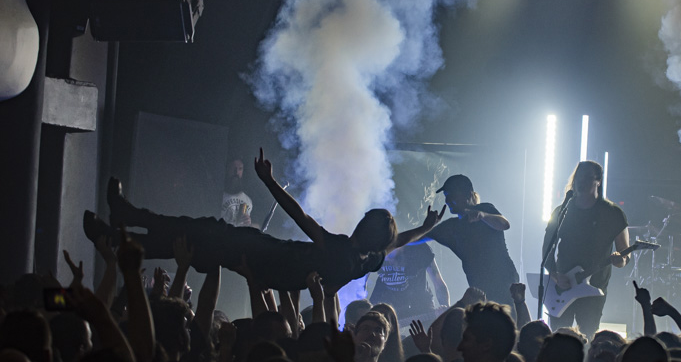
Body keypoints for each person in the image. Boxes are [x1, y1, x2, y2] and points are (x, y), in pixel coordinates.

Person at [83, 148, 445, 293]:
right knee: (194, 242)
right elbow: (396, 242)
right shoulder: (366, 260)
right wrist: (425, 228)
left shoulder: (341, 250)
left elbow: (301, 217)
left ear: (364, 228)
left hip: (261, 254)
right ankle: (120, 235)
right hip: (267, 267)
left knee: (197, 233)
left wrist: (269, 182)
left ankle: (126, 222)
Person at [542, 161, 629, 339]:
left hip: (594, 288)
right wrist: (555, 275)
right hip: (562, 285)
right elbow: (547, 248)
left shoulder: (612, 213)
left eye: (587, 178)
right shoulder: (562, 211)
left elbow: (624, 255)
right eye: (578, 178)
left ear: (598, 181)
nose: (581, 182)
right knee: (558, 339)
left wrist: (619, 260)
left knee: (587, 338)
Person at [419, 174, 519, 308]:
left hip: (505, 285)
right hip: (480, 292)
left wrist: (483, 216)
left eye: (452, 195)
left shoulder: (486, 209)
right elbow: (416, 238)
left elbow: (504, 224)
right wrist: (424, 228)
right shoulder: (451, 227)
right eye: (446, 196)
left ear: (467, 194)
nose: (447, 201)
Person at [370, 243, 449, 317]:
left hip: (420, 308)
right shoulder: (374, 251)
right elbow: (363, 283)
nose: (388, 260)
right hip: (387, 310)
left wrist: (446, 310)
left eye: (391, 257)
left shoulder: (419, 249)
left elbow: (438, 282)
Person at [221, 158, 253, 227]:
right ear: (227, 169)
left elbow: (256, 225)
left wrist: (248, 222)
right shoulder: (218, 196)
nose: (236, 172)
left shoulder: (248, 200)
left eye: (240, 169)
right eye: (233, 168)